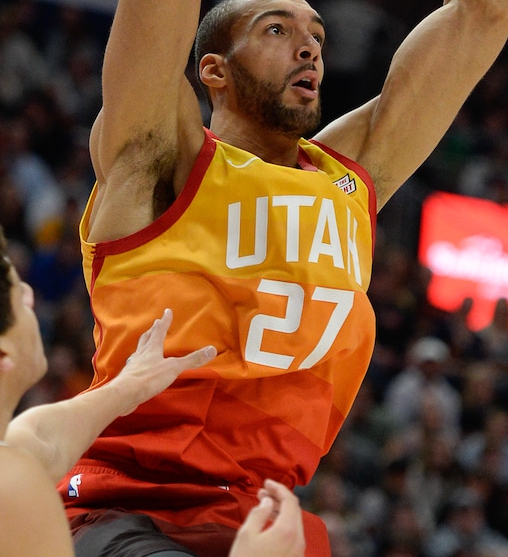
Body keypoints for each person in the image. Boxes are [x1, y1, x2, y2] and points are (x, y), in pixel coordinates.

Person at [60, 0, 508, 557]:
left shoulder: (353, 174)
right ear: (215, 72)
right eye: (278, 31)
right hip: (129, 519)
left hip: (266, 520)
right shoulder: (158, 155)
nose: (309, 49)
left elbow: (490, 3)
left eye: (315, 34)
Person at [0, 226, 305, 557]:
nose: (32, 295)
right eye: (21, 297)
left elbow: (37, 441)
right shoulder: (14, 494)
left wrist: (128, 387)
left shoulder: (14, 464)